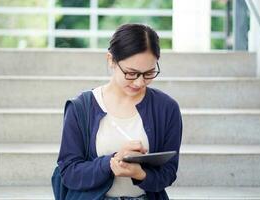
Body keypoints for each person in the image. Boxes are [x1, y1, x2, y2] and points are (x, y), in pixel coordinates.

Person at [57, 23, 182, 200]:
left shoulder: (167, 108)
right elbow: (69, 173)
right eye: (131, 73)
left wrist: (140, 174)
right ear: (111, 60)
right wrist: (111, 162)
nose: (139, 82)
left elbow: (168, 173)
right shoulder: (80, 108)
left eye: (149, 73)